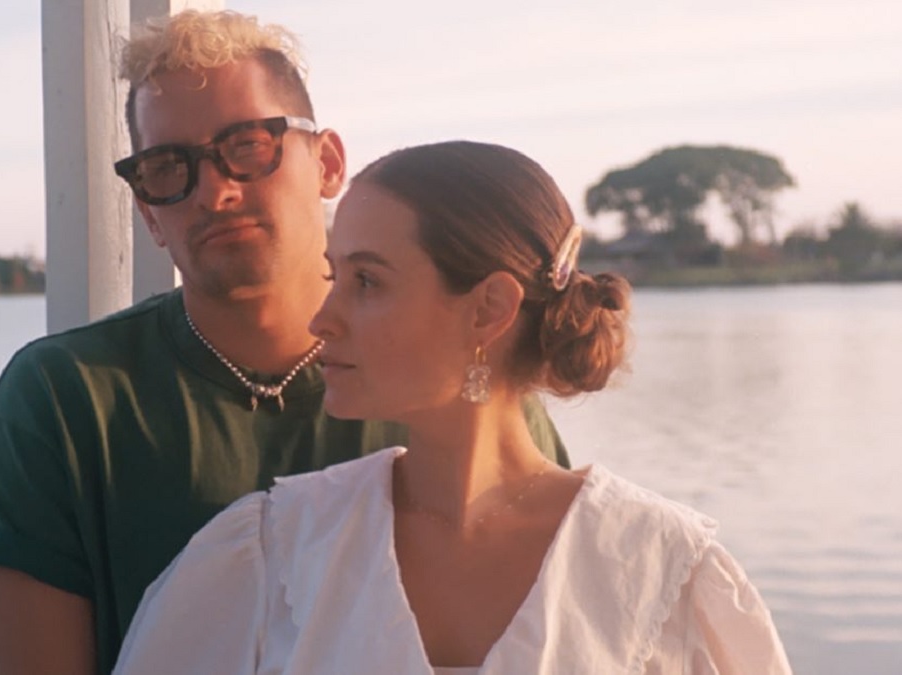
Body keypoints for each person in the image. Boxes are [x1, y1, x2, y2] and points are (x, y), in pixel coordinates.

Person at [0, 11, 567, 675]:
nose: (214, 193)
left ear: (327, 163)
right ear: (148, 211)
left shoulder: (454, 384)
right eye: (167, 167)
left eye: (247, 146)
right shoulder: (60, 403)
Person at [113, 140, 795, 674]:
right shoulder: (270, 553)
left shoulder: (664, 572)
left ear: (488, 309)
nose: (323, 318)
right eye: (333, 275)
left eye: (366, 281)